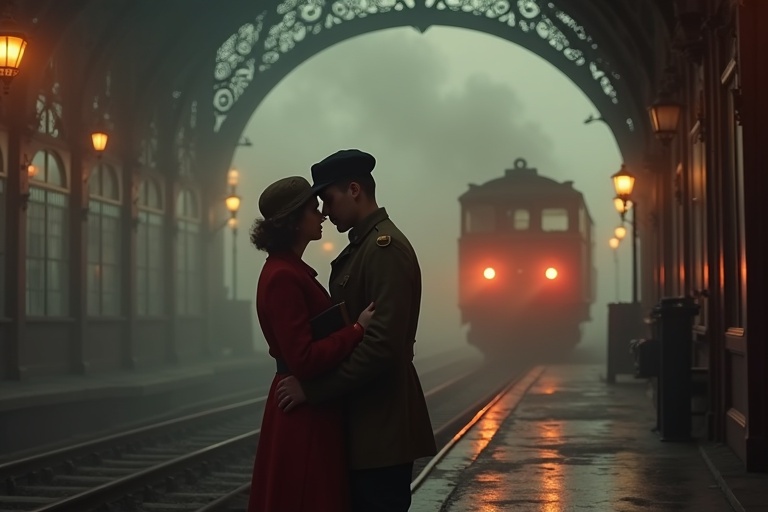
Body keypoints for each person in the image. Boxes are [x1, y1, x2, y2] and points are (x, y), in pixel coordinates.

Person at [276, 150, 437, 512]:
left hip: (380, 431)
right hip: (365, 427)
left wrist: (312, 390)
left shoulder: (384, 249)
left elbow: (381, 347)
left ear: (353, 190)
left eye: (328, 200)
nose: (325, 212)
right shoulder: (365, 248)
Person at [247, 175, 376, 512]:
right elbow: (303, 358)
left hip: (304, 405)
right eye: (312, 210)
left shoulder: (287, 271)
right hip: (303, 412)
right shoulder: (283, 278)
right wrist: (355, 331)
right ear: (292, 222)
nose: (321, 216)